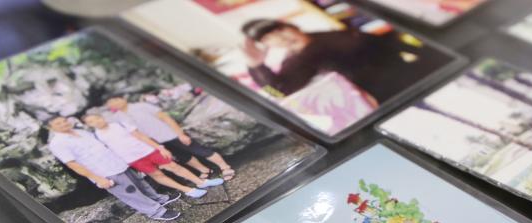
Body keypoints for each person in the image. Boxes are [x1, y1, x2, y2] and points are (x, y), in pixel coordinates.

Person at [241, 19, 433, 105]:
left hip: (421, 78)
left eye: (278, 30)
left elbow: (389, 44)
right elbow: (279, 91)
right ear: (267, 45)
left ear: (290, 26)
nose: (279, 37)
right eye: (267, 38)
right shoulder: (297, 61)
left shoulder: (333, 35)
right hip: (393, 101)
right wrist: (256, 66)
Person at [47, 116, 181, 222]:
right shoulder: (58, 143)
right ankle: (156, 212)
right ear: (50, 127)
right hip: (103, 172)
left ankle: (158, 198)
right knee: (130, 193)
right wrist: (98, 179)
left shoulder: (81, 132)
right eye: (58, 123)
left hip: (117, 163)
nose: (64, 124)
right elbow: (72, 164)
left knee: (140, 183)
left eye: (64, 121)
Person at [82, 114, 223, 199]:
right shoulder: (96, 137)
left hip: (148, 151)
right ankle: (188, 190)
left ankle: (201, 182)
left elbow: (141, 136)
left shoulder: (119, 124)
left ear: (101, 117)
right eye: (92, 121)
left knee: (174, 166)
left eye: (97, 118)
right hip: (133, 160)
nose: (97, 121)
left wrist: (160, 148)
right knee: (157, 175)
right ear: (89, 125)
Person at [106, 96, 236, 181]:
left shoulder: (141, 106)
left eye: (116, 99)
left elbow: (166, 117)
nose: (115, 103)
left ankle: (225, 167)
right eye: (111, 103)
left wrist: (180, 133)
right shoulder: (118, 117)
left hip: (170, 134)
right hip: (156, 143)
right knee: (183, 157)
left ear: (123, 99)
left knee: (199, 150)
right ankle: (205, 170)